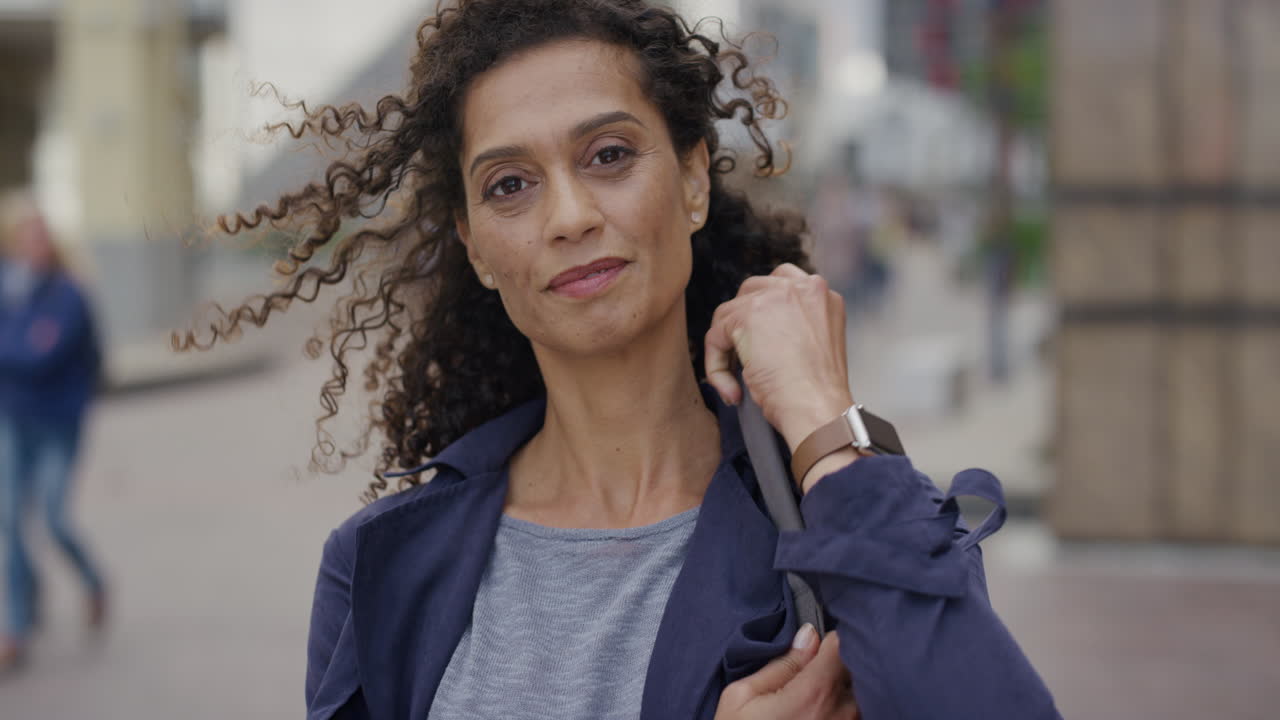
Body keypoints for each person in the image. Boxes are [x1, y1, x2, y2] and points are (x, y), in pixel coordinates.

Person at [183, 1, 1061, 717]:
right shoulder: (384, 565)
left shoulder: (843, 524)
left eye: (608, 155)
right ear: (476, 247)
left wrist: (827, 426)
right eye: (510, 185)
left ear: (692, 182)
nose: (569, 216)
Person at [0, 191, 106, 672]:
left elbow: (40, 356)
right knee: (9, 521)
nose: (35, 242)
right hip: (13, 420)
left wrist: (15, 348)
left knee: (55, 519)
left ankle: (93, 582)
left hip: (58, 425)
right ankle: (16, 628)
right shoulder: (9, 289)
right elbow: (24, 350)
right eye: (26, 235)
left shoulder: (69, 294)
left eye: (41, 233)